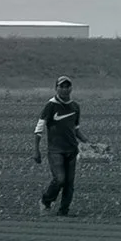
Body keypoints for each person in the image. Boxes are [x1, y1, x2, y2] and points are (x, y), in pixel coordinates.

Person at [33, 76, 84, 216]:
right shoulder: (51, 106)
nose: (65, 89)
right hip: (56, 150)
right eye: (62, 86)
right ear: (56, 88)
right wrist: (36, 150)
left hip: (72, 149)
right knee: (60, 178)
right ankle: (46, 201)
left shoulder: (75, 107)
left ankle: (64, 211)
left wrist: (89, 144)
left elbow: (76, 130)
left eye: (67, 86)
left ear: (71, 88)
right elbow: (39, 128)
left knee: (69, 183)